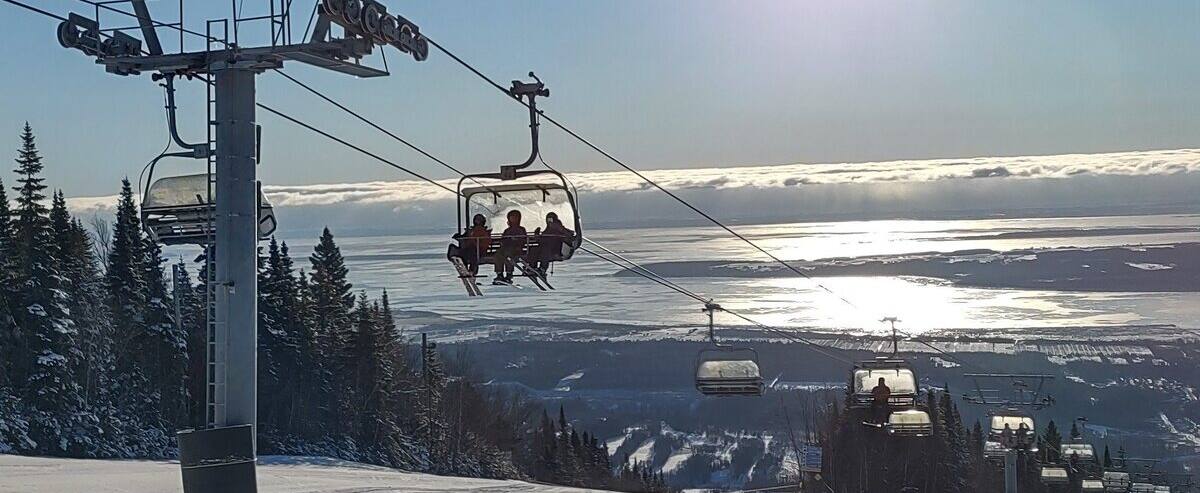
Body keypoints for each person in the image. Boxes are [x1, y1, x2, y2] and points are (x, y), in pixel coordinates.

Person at [532, 211, 574, 276]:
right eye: (548, 219)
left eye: (551, 219)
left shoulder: (560, 229)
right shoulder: (547, 231)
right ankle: (532, 267)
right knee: (534, 249)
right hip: (546, 249)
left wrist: (560, 228)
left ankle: (543, 268)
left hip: (556, 250)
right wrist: (537, 236)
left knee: (545, 250)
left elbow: (570, 235)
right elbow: (542, 240)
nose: (550, 222)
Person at [494, 210, 527, 284]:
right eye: (511, 217)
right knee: (498, 254)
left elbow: (523, 239)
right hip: (506, 248)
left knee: (508, 255)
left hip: (516, 249)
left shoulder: (521, 229)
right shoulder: (507, 230)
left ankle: (509, 274)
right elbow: (503, 239)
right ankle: (499, 274)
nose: (513, 219)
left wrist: (516, 241)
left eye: (515, 217)